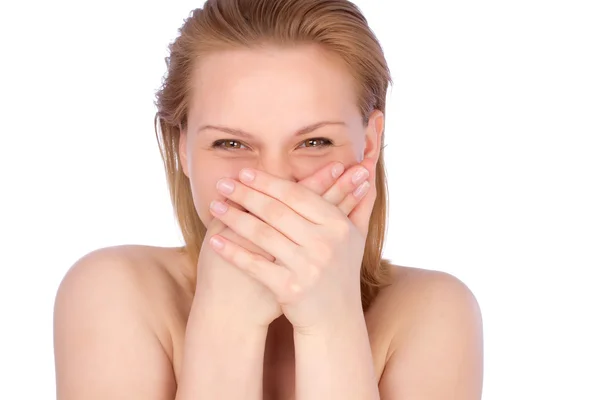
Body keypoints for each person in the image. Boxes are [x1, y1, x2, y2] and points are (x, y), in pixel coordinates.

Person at [53, 0, 484, 399]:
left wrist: (331, 321)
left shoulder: (434, 313)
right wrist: (225, 323)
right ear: (184, 149)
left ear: (369, 146)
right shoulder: (112, 292)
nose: (275, 181)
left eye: (315, 141)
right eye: (231, 144)